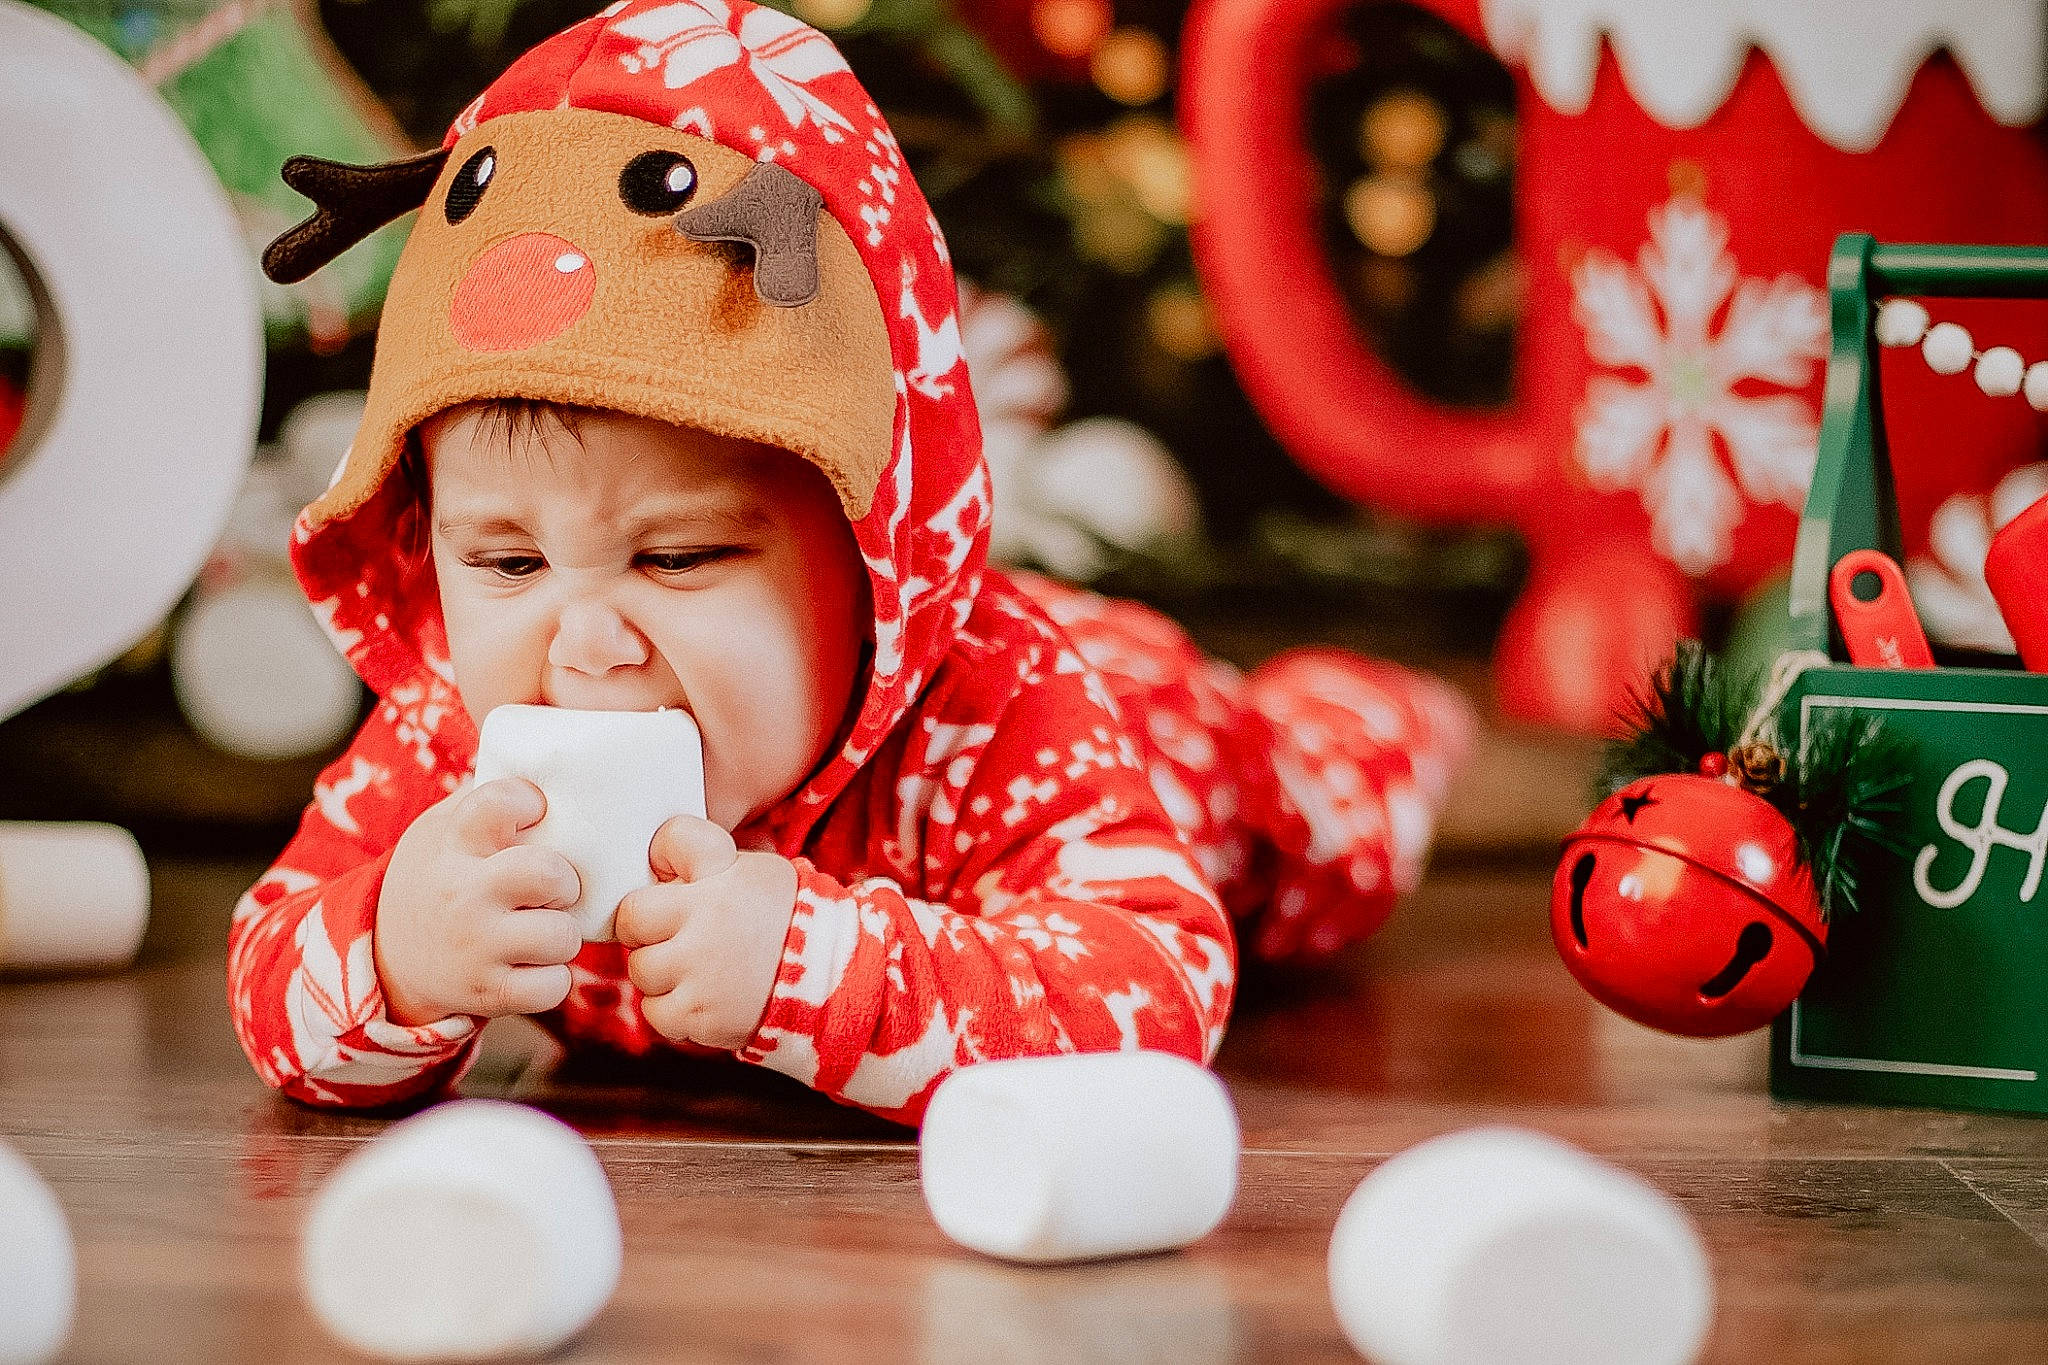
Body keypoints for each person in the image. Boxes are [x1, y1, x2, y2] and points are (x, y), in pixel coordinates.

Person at [229, 0, 1472, 1123]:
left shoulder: (1004, 719)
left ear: (872, 544)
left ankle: (1378, 716)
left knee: (1319, 821)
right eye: (507, 565)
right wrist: (392, 953)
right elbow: (268, 963)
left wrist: (815, 972)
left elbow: (1152, 992)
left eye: (678, 557)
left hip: (1146, 714)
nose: (586, 645)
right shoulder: (445, 738)